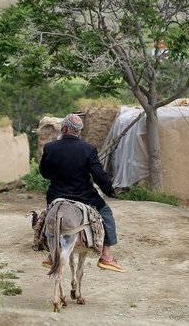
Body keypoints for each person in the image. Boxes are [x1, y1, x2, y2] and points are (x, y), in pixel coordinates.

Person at [39, 113, 125, 273]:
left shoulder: (50, 147)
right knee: (106, 213)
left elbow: (44, 173)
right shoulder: (88, 149)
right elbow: (99, 175)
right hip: (83, 196)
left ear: (64, 128)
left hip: (57, 195)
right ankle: (106, 256)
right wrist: (109, 190)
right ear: (79, 131)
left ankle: (50, 254)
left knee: (46, 215)